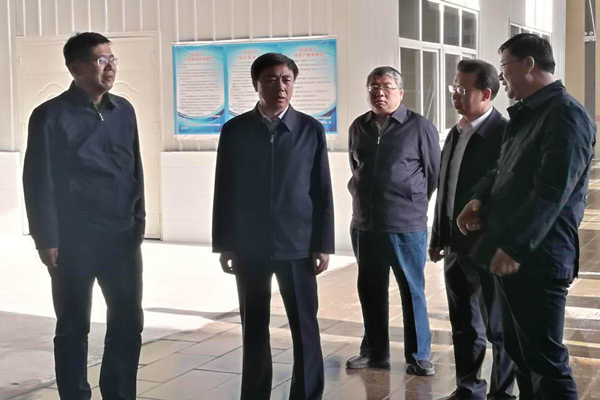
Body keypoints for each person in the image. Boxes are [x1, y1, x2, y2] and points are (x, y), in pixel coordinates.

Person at [457, 33, 596, 399]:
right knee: (521, 355)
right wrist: (478, 199)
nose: (501, 78)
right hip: (511, 255)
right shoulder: (527, 115)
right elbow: (502, 169)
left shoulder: (566, 116)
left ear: (529, 65)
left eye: (504, 68)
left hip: (537, 259)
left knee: (546, 364)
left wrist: (515, 247)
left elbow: (551, 194)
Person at [23, 32, 145, 400]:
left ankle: (119, 393)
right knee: (73, 326)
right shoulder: (50, 115)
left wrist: (139, 220)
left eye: (112, 59)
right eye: (100, 60)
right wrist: (46, 238)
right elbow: (37, 179)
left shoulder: (124, 110)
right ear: (76, 68)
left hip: (121, 237)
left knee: (128, 321)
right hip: (73, 239)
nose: (110, 67)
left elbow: (135, 168)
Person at [212, 52, 334, 400]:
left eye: (286, 80)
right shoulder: (235, 130)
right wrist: (225, 242)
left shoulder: (309, 129)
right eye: (271, 79)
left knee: (305, 329)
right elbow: (225, 188)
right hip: (249, 246)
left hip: (297, 245)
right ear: (256, 84)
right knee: (253, 329)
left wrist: (322, 243)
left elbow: (321, 190)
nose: (280, 87)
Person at [429, 59, 516, 400]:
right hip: (455, 247)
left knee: (499, 327)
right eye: (454, 87)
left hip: (488, 247)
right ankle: (468, 387)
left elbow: (505, 191)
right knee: (463, 324)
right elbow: (445, 188)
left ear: (486, 93)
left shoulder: (504, 133)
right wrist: (438, 235)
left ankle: (502, 393)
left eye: (462, 89)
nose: (455, 94)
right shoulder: (456, 132)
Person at [346, 66, 440, 375]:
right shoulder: (358, 127)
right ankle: (374, 352)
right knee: (370, 291)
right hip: (365, 224)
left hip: (405, 225)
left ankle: (418, 355)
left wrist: (410, 202)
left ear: (400, 92)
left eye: (386, 86)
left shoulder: (419, 127)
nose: (379, 92)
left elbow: (433, 174)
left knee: (412, 291)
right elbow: (356, 169)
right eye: (373, 87)